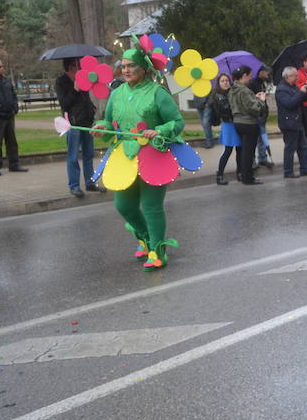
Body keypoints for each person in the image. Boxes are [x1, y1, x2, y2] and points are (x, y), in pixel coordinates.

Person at [91, 41, 186, 270]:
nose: (125, 70)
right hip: (125, 156)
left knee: (151, 206)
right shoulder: (117, 93)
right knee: (124, 205)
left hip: (154, 155)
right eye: (123, 66)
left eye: (131, 65)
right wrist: (103, 127)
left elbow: (177, 122)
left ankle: (158, 251)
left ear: (144, 67)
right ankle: (146, 239)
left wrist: (159, 130)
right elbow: (110, 121)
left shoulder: (157, 93)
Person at [55, 58, 103, 197]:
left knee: (88, 154)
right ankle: (74, 185)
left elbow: (86, 99)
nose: (81, 69)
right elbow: (64, 104)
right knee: (73, 156)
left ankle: (90, 182)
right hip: (73, 124)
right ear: (71, 67)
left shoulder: (83, 78)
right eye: (78, 66)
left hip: (86, 122)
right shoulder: (61, 82)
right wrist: (75, 90)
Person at [0, 58, 27, 175]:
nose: (3, 68)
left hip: (9, 115)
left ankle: (14, 164)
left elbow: (13, 94)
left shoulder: (6, 80)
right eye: (0, 67)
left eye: (2, 66)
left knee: (12, 142)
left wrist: (15, 108)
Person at [274, 66, 307, 178]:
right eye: (295, 76)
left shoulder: (293, 86)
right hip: (288, 123)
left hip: (298, 121)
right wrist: (301, 92)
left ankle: (305, 169)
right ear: (288, 77)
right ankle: (288, 171)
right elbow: (290, 103)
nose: (297, 78)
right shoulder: (281, 89)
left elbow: (300, 99)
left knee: (303, 146)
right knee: (290, 148)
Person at [228, 65, 267, 185]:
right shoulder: (245, 90)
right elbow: (254, 109)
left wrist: (253, 97)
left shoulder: (232, 90)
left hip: (237, 122)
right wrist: (261, 100)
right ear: (244, 76)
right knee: (248, 152)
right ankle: (248, 177)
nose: (250, 78)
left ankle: (242, 174)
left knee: (243, 151)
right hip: (248, 123)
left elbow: (241, 104)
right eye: (250, 76)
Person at [211, 73, 241, 185]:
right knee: (228, 151)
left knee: (240, 150)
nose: (225, 83)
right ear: (219, 84)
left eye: (227, 80)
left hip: (236, 123)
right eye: (222, 81)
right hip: (228, 125)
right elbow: (227, 109)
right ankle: (219, 175)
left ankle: (240, 173)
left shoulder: (232, 93)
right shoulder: (219, 96)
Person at [248, 65, 274, 169]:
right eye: (266, 72)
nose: (268, 74)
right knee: (253, 139)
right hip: (255, 114)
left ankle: (263, 158)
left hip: (262, 114)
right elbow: (250, 99)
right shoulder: (252, 83)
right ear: (261, 72)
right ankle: (252, 160)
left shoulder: (262, 83)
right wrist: (257, 97)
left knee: (262, 138)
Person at [193, 78, 214, 149]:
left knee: (206, 123)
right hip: (198, 105)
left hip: (207, 105)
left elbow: (212, 93)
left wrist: (208, 103)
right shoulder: (194, 82)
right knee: (204, 124)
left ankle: (209, 142)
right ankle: (209, 140)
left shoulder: (207, 81)